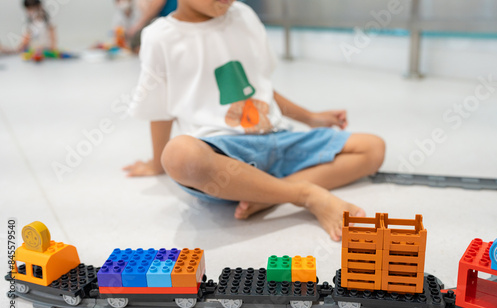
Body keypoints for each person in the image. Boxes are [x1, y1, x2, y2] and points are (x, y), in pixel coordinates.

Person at [124, 0, 385, 241]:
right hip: (226, 154)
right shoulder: (160, 37)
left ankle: (268, 193)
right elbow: (159, 110)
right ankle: (304, 194)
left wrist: (310, 117)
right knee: (179, 155)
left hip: (277, 137)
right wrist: (158, 163)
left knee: (373, 148)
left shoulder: (243, 16)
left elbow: (261, 88)